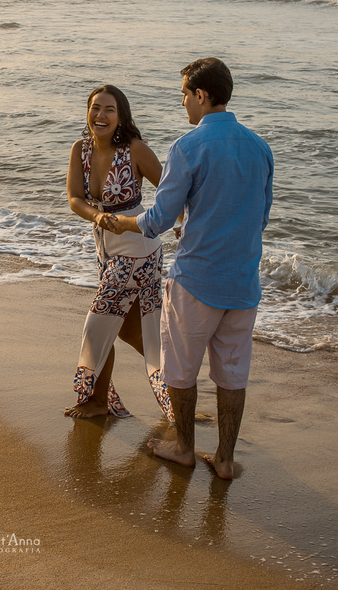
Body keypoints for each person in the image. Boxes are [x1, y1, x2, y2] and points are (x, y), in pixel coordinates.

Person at [105, 58, 273, 479]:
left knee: (179, 368)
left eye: (184, 94)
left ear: (201, 95)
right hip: (243, 282)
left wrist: (122, 221)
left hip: (196, 280)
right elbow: (260, 215)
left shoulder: (187, 146)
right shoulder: (260, 147)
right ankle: (226, 460)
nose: (183, 102)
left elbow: (158, 218)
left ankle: (183, 448)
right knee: (232, 375)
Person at [65, 85, 172, 422]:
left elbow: (171, 194)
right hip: (107, 250)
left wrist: (187, 228)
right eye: (95, 108)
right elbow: (74, 199)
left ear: (121, 116)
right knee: (128, 331)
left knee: (98, 322)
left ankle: (96, 401)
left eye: (109, 109)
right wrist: (97, 216)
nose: (101, 115)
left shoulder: (136, 150)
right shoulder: (80, 150)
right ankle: (178, 387)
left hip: (140, 250)